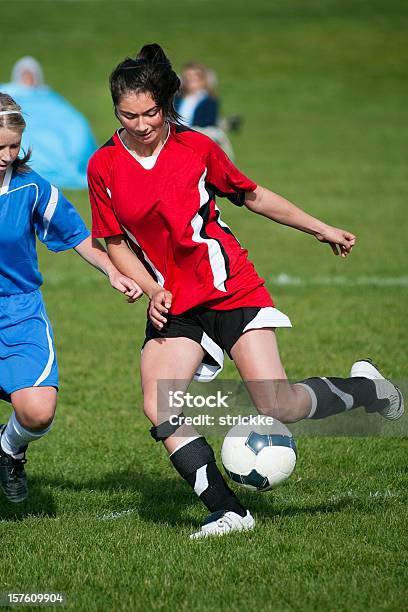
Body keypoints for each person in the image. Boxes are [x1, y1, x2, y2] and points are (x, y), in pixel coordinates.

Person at [87, 44, 404, 539]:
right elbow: (112, 241)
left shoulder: (195, 148)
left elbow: (252, 196)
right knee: (160, 405)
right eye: (129, 115)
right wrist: (152, 288)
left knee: (279, 406)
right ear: (115, 112)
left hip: (229, 287)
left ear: (165, 104)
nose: (142, 124)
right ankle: (227, 510)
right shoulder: (103, 165)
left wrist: (319, 228)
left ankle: (367, 389)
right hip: (173, 302)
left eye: (151, 112)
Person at [0, 93, 142, 504]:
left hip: (19, 310)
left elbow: (80, 236)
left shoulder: (31, 188)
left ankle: (9, 450)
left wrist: (114, 271)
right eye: (0, 147)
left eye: (14, 145)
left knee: (38, 411)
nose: (8, 155)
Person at [0, 56, 97, 189]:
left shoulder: (47, 95)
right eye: (25, 76)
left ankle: (65, 160)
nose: (28, 81)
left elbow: (68, 117)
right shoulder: (9, 95)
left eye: (31, 76)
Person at [174, 61, 236, 158]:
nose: (191, 79)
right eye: (187, 76)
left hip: (196, 138)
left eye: (195, 76)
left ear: (202, 80)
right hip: (175, 138)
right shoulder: (177, 99)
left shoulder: (209, 100)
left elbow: (208, 122)